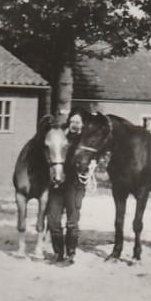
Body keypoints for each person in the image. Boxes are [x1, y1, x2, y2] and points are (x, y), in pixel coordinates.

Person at [45, 109, 88, 263]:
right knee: (53, 219)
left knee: (72, 220)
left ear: (82, 124)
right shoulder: (61, 137)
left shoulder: (86, 141)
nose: (74, 124)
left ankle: (71, 253)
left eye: (78, 122)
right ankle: (58, 252)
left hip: (75, 184)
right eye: (72, 121)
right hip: (57, 184)